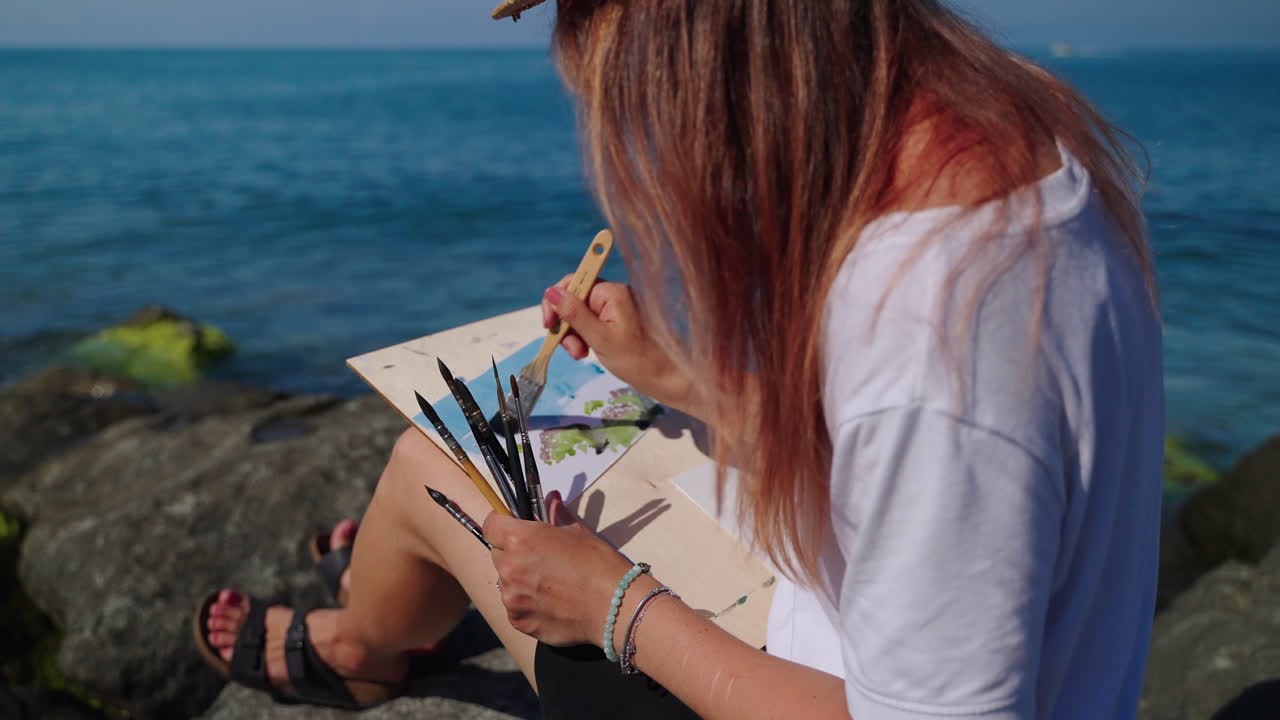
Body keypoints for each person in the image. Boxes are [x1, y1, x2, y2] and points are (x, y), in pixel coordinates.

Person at [195, 1, 1164, 717]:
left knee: (434, 466)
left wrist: (618, 607)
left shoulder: (925, 345)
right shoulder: (1015, 145)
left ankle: (364, 642)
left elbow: (920, 430)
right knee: (541, 430)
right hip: (829, 634)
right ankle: (402, 591)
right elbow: (907, 470)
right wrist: (672, 379)